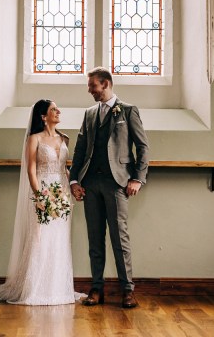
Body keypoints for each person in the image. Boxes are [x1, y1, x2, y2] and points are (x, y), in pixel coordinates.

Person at [69, 67, 149, 309]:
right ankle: (96, 288)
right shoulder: (90, 113)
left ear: (105, 84)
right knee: (95, 238)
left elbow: (143, 147)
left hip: (117, 183)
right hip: (90, 183)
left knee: (119, 238)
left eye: (93, 86)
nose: (90, 91)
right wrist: (74, 180)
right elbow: (80, 149)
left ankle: (127, 290)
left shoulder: (127, 110)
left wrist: (137, 178)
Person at [0, 99, 83, 305]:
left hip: (61, 192)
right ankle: (34, 289)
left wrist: (71, 187)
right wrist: (40, 197)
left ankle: (58, 288)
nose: (58, 111)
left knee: (59, 239)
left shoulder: (64, 139)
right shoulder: (34, 139)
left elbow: (65, 167)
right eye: (54, 109)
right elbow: (31, 170)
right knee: (40, 238)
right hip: (43, 189)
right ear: (43, 116)